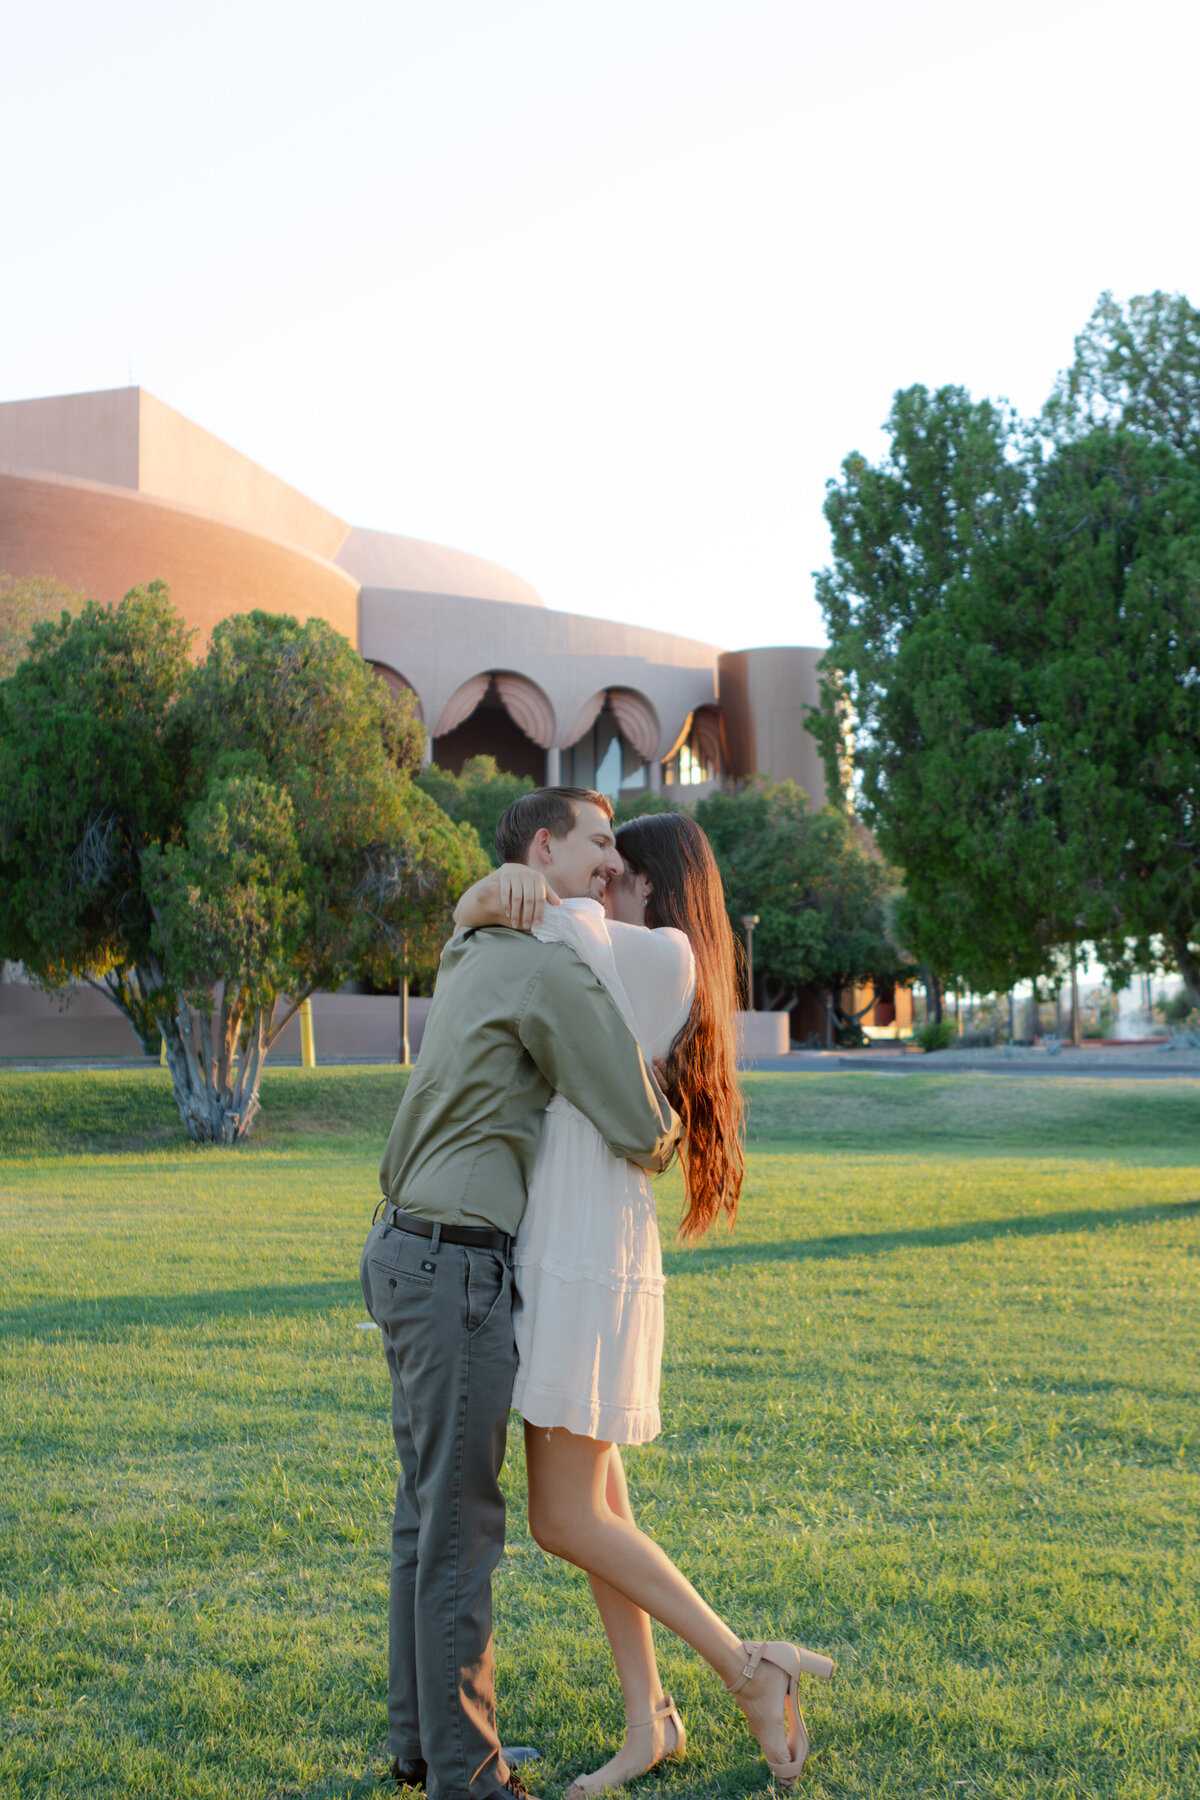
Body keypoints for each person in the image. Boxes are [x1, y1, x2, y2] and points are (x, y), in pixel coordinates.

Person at [454, 812, 834, 1792]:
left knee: (562, 1516)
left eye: (617, 868)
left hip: (586, 1255)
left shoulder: (663, 955)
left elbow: (550, 921)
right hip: (577, 1246)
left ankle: (750, 1668)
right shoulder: (649, 955)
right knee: (601, 1498)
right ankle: (647, 1720)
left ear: (654, 885)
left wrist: (506, 884)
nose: (601, 882)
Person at [359, 788, 682, 1800]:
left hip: (398, 1248)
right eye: (597, 844)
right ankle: (470, 1780)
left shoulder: (472, 947)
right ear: (546, 848)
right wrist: (670, 1123)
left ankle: (424, 1748)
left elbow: (485, 915)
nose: (612, 863)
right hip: (455, 1265)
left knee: (424, 1519)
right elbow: (639, 1124)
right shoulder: (550, 964)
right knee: (460, 1535)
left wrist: (482, 898)